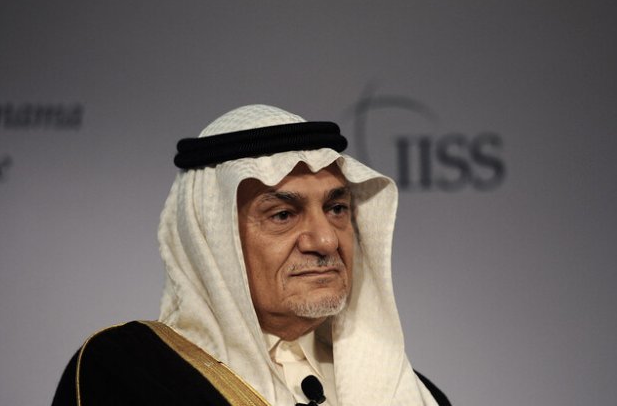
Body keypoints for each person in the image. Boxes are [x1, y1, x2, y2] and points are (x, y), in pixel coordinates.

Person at [52, 105, 450, 406]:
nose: (326, 240)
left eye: (336, 208)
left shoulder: (414, 394)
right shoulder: (132, 372)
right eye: (283, 215)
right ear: (213, 240)